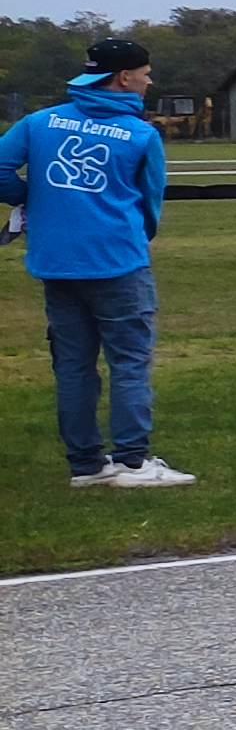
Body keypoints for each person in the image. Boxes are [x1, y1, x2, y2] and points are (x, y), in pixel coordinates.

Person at [3, 39, 190, 487]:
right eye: (145, 73)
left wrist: (33, 199)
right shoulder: (141, 134)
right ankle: (132, 462)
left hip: (55, 263)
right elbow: (151, 202)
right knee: (129, 362)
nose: (149, 81)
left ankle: (86, 465)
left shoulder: (39, 122)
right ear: (123, 78)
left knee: (72, 365)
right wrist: (137, 237)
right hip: (118, 263)